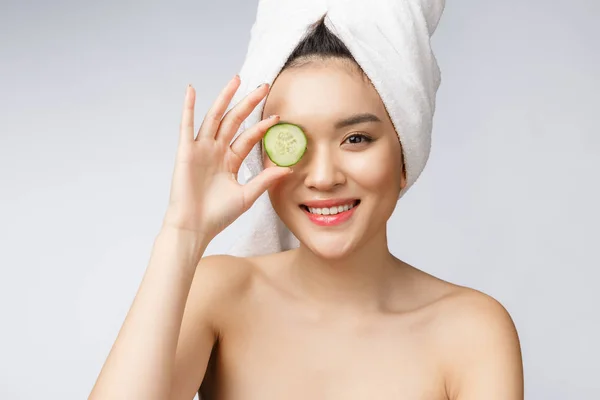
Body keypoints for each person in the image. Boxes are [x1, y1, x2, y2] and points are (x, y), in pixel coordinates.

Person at [89, 18, 524, 400]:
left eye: (355, 138)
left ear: (405, 158)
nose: (322, 176)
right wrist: (182, 233)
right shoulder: (219, 294)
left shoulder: (472, 331)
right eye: (292, 141)